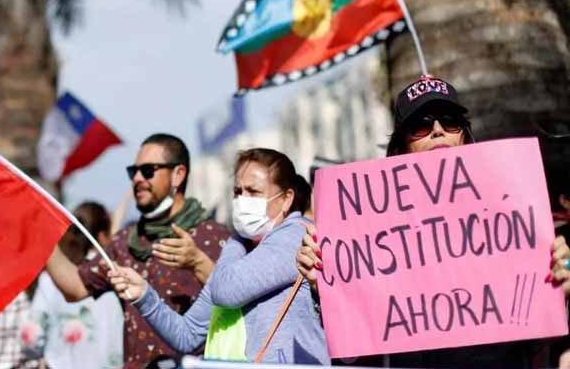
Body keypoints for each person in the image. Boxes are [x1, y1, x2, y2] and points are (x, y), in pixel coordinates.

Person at [296, 75, 570, 368]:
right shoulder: (373, 236)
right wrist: (327, 288)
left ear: (464, 134)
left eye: (450, 121)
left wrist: (560, 289)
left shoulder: (510, 215)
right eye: (421, 125)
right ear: (402, 146)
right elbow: (353, 355)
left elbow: (540, 340)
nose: (438, 131)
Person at [108, 148, 329, 364]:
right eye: (238, 192)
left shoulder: (297, 237)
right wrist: (144, 296)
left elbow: (226, 291)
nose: (242, 201)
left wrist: (235, 239)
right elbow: (188, 335)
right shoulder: (244, 250)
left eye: (253, 192)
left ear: (286, 199)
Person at [44, 134, 230, 368]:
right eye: (134, 172)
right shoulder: (125, 241)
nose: (138, 179)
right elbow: (75, 287)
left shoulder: (215, 238)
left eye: (148, 170)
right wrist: (42, 236)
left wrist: (198, 263)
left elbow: (238, 304)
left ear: (178, 174)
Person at [27, 201, 123, 369]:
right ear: (102, 236)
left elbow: (32, 335)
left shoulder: (51, 277)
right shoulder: (119, 274)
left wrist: (42, 358)